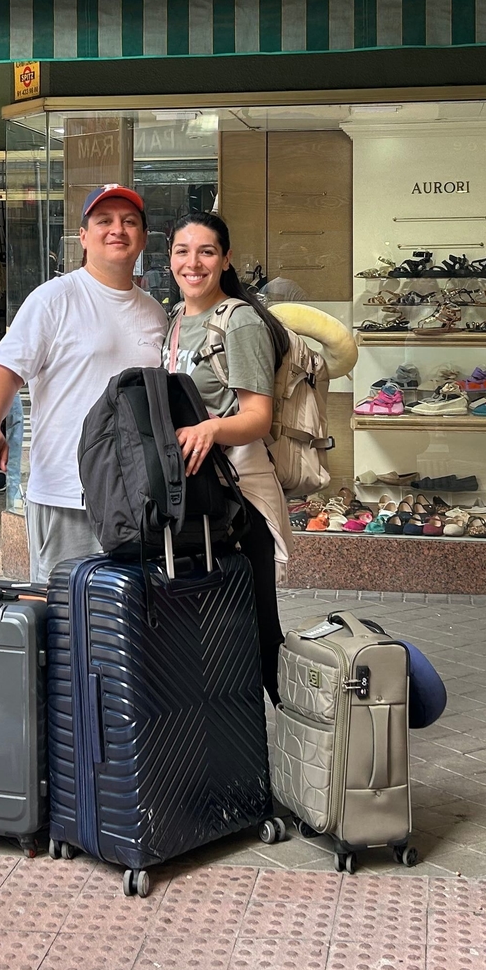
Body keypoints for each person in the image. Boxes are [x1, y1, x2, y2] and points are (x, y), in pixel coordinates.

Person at [0, 184, 168, 583]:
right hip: (66, 494)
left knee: (130, 615)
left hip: (138, 500)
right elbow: (4, 373)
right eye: (104, 221)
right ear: (83, 237)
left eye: (129, 222)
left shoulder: (154, 313)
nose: (117, 229)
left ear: (143, 238)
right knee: (65, 612)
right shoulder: (55, 298)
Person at [165, 211, 291, 702]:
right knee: (217, 634)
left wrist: (211, 428)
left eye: (206, 252)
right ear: (169, 258)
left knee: (258, 631)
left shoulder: (238, 322)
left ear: (226, 259)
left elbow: (258, 417)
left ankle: (299, 732)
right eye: (183, 251)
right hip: (199, 497)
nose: (193, 263)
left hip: (239, 497)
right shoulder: (176, 321)